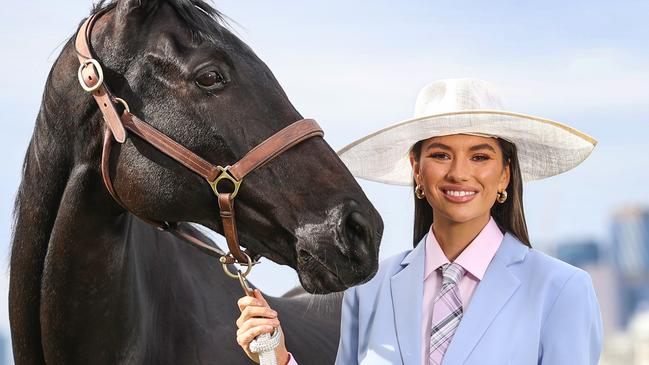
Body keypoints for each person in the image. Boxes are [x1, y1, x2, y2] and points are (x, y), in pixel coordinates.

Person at [235, 78, 603, 364]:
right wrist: (277, 357)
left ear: (505, 174)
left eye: (480, 157)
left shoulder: (561, 290)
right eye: (441, 154)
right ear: (416, 168)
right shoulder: (370, 289)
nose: (460, 173)